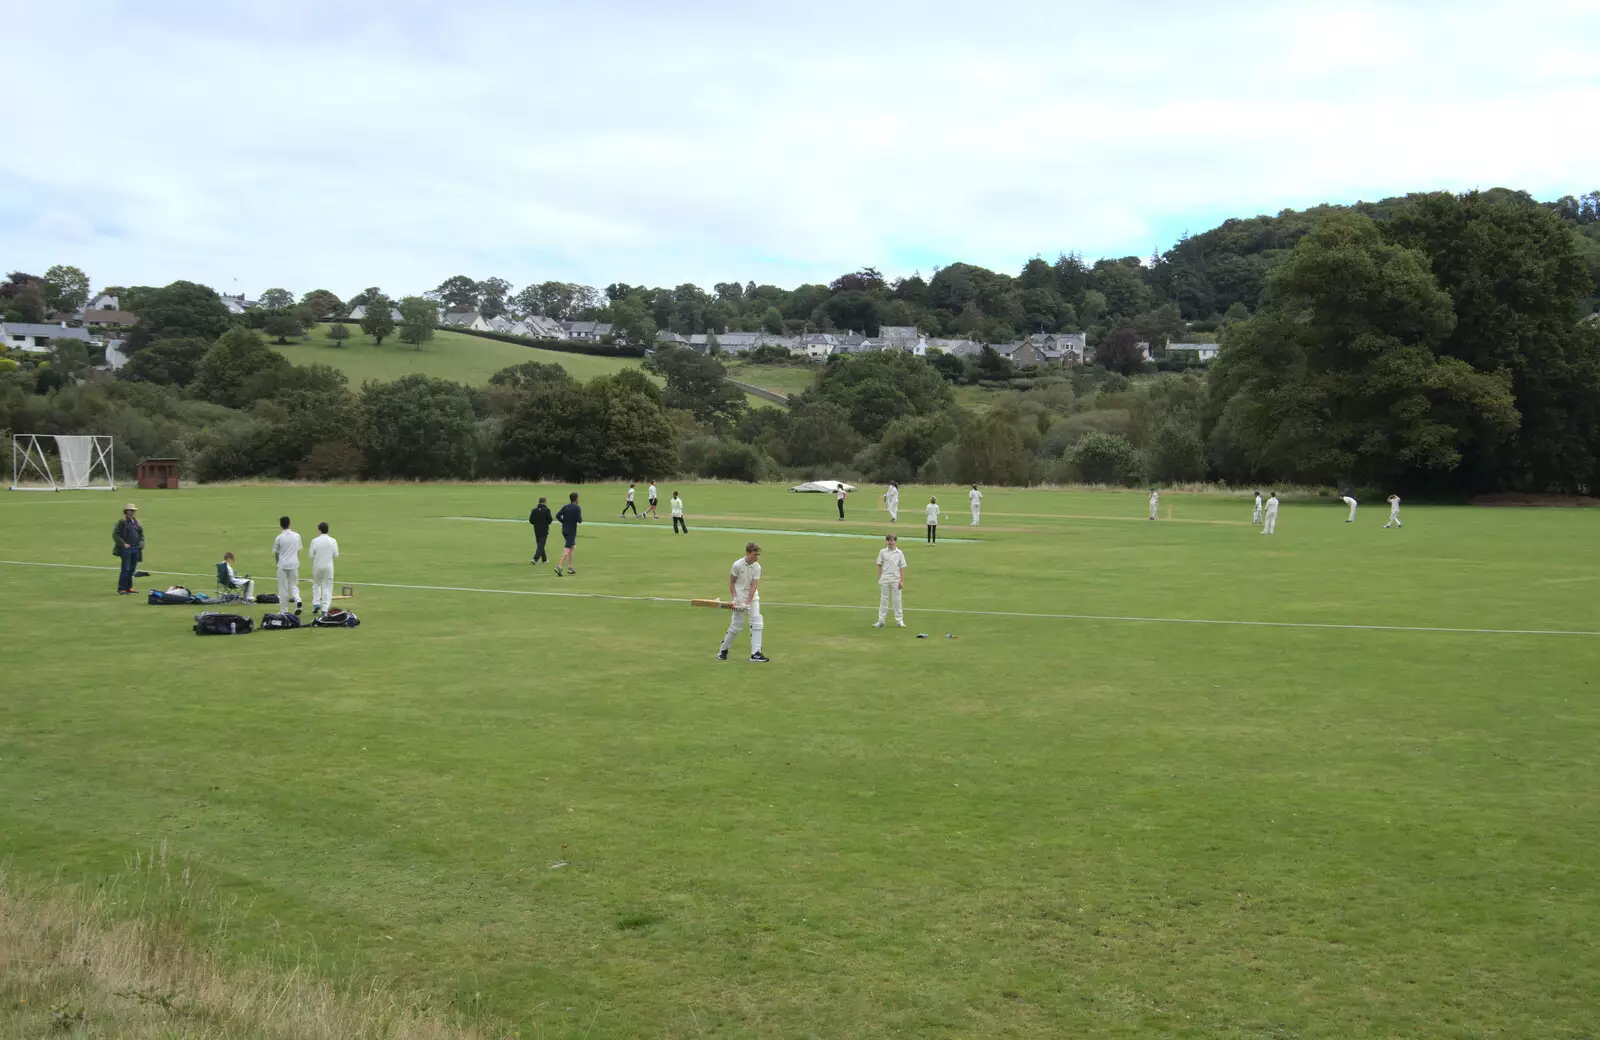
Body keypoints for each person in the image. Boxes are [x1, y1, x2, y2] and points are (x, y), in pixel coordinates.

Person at [717, 541, 768, 662]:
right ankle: (723, 651)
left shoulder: (757, 567)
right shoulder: (737, 565)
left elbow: (754, 586)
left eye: (758, 554)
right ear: (748, 553)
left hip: (752, 598)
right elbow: (732, 582)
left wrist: (748, 602)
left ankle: (756, 653)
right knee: (737, 625)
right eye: (755, 554)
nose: (757, 557)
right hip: (739, 598)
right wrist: (735, 598)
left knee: (757, 621)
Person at [873, 533, 908, 628]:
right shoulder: (882, 552)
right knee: (884, 600)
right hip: (885, 579)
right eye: (888, 540)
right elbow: (879, 564)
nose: (890, 542)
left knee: (897, 600)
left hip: (895, 580)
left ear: (895, 541)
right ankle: (881, 621)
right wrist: (879, 577)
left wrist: (902, 580)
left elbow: (902, 567)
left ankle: (899, 621)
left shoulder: (899, 553)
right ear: (886, 541)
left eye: (892, 540)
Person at [272, 515, 304, 614]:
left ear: (281, 525)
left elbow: (276, 553)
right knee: (294, 585)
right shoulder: (297, 536)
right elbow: (298, 550)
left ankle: (284, 611)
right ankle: (297, 600)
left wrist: (278, 564)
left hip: (282, 565)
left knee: (283, 588)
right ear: (289, 524)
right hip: (294, 564)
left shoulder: (279, 538)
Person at [113, 503, 144, 595]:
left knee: (132, 569)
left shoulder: (137, 522)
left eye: (133, 511)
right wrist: (123, 544)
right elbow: (115, 535)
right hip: (126, 549)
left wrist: (141, 543)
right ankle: (122, 588)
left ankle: (129, 587)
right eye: (131, 510)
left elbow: (141, 534)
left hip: (136, 548)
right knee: (125, 569)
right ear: (126, 511)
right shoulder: (122, 522)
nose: (132, 512)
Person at [309, 522, 339, 616]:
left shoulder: (315, 541)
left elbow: (311, 555)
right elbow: (336, 555)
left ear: (319, 530)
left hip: (317, 566)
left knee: (316, 585)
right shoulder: (333, 541)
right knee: (327, 587)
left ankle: (316, 603)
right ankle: (325, 608)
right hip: (328, 567)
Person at [555, 492, 582, 575]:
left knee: (572, 547)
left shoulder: (565, 507)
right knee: (567, 548)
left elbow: (557, 515)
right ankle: (559, 566)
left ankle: (570, 567)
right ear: (576, 498)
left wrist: (564, 522)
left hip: (564, 530)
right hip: (571, 531)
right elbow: (579, 520)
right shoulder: (577, 508)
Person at [528, 496, 553, 563]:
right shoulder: (547, 510)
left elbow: (531, 520)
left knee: (540, 544)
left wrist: (536, 523)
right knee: (541, 544)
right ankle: (535, 559)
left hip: (536, 529)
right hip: (544, 529)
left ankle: (544, 559)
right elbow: (550, 520)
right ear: (545, 502)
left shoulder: (534, 510)